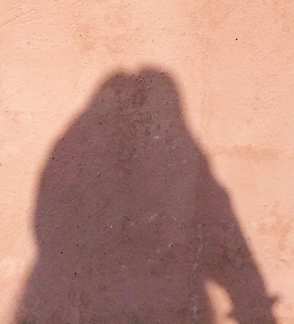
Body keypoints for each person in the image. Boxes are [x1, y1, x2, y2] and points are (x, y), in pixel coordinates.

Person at [15, 67, 278, 324]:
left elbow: (48, 227)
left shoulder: (75, 149)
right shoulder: (179, 156)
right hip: (166, 306)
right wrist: (254, 308)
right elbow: (223, 236)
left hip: (82, 306)